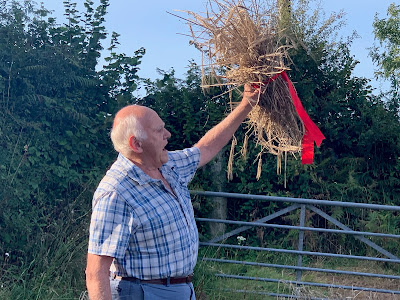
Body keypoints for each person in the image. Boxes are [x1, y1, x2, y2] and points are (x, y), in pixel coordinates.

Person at [85, 84, 260, 300]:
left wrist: (246, 104)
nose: (168, 134)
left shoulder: (168, 166)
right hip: (143, 293)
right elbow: (96, 272)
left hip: (181, 290)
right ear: (136, 144)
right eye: (159, 130)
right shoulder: (116, 192)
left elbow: (205, 147)